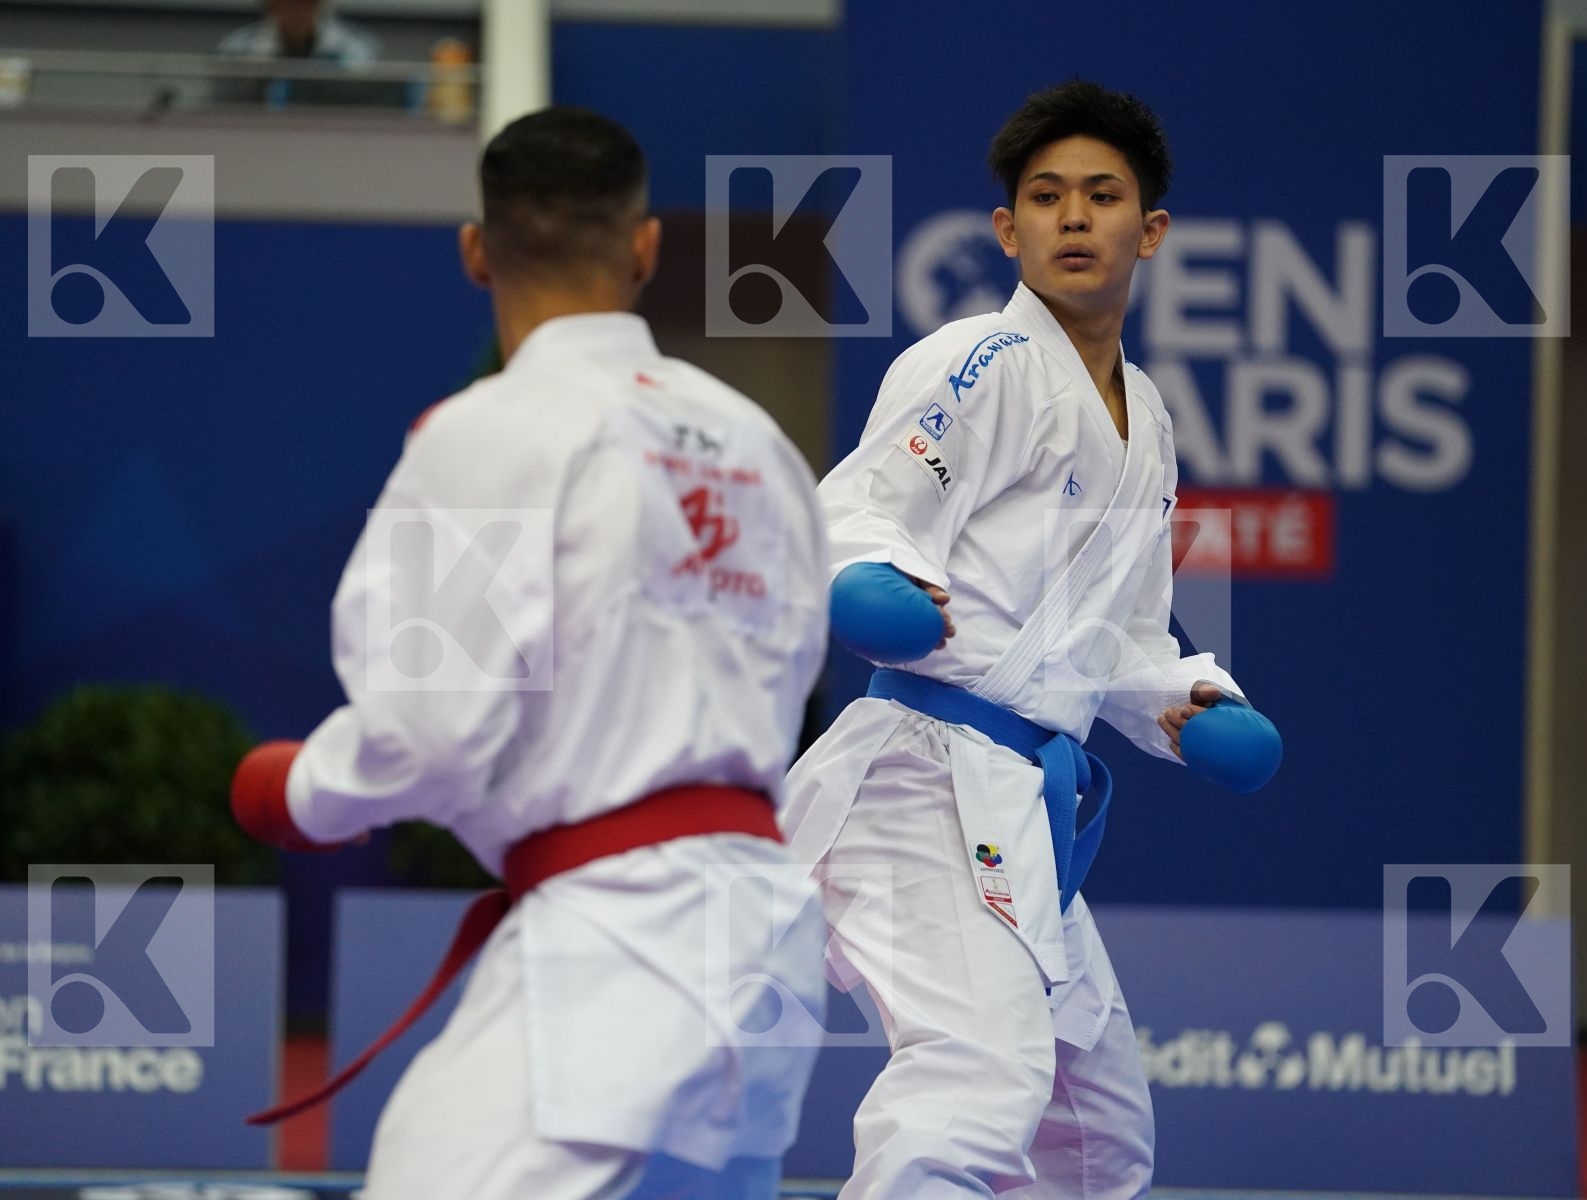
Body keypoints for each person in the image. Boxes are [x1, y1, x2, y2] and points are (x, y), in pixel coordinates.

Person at [230, 107, 832, 1199]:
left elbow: (428, 731)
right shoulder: (759, 443)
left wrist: (300, 791)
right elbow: (791, 677)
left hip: (622, 937)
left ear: (476, 250)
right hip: (768, 934)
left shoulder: (488, 428)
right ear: (644, 248)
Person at [785, 80, 1280, 1198]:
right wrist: (866, 581)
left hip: (1019, 805)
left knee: (1095, 1134)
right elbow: (860, 509)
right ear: (1005, 230)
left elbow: (1122, 634)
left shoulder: (1143, 415)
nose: (1071, 216)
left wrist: (1183, 706)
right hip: (920, 777)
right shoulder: (981, 362)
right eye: (1044, 197)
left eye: (1100, 196)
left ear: (1146, 230)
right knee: (974, 1075)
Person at [218, 0, 381, 66]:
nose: (297, 11)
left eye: (304, 3)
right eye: (287, 3)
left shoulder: (358, 49)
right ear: (271, 7)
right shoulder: (236, 49)